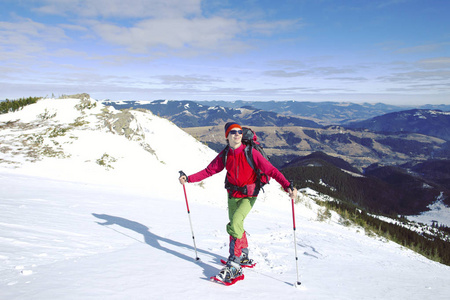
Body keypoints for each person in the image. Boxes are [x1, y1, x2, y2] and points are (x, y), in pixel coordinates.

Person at [179, 122, 297, 283]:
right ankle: (243, 254)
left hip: (249, 196)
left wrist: (287, 186)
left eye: (239, 132)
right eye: (233, 132)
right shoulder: (226, 154)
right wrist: (189, 178)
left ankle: (234, 265)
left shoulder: (252, 152)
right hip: (232, 194)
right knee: (237, 225)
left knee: (234, 224)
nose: (237, 134)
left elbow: (271, 170)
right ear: (227, 136)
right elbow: (209, 170)